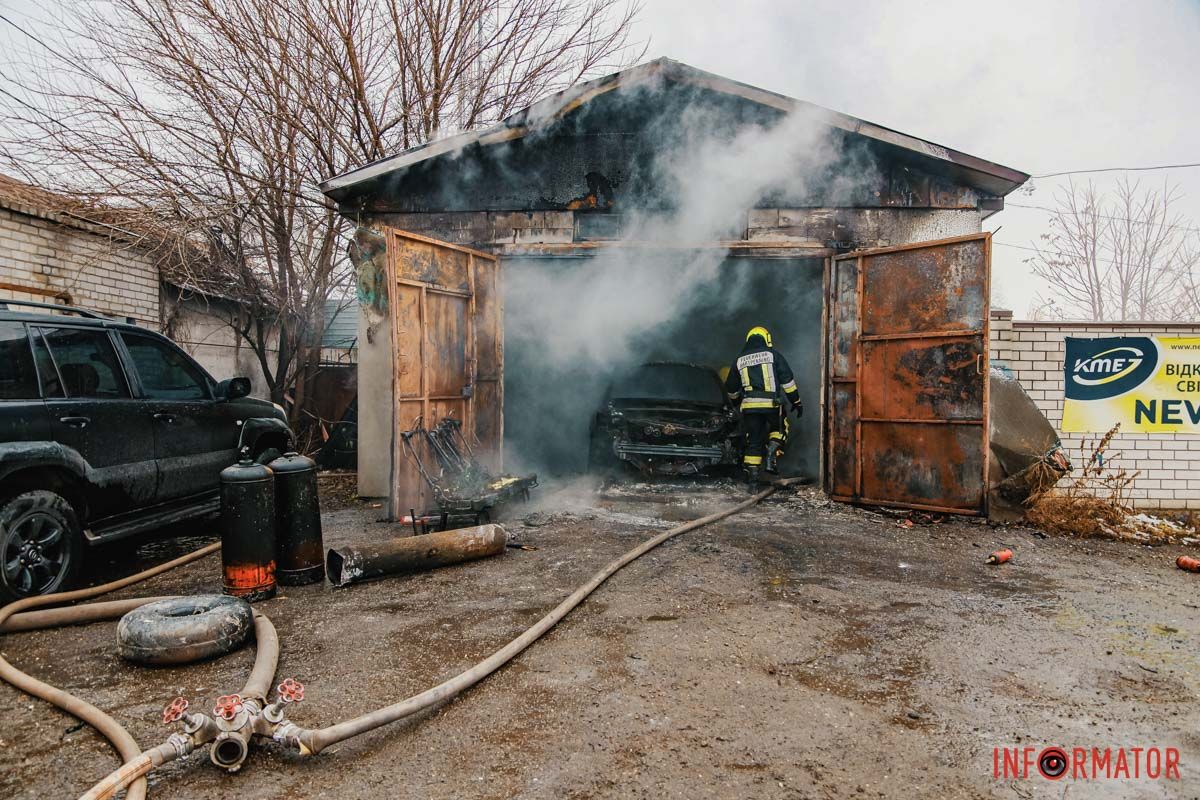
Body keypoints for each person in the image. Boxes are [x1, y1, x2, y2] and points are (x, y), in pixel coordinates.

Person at [723, 326, 802, 485]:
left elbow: (731, 389)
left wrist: (738, 403)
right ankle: (772, 452)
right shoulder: (773, 355)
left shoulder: (739, 360)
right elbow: (787, 381)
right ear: (766, 339)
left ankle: (752, 481)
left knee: (754, 440)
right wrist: (796, 401)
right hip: (771, 405)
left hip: (749, 408)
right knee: (779, 428)